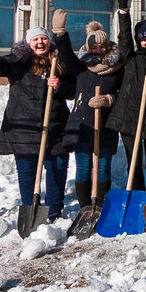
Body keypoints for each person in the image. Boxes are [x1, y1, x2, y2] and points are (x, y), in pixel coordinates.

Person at [0, 12, 75, 223]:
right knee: (27, 171)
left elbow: (73, 91)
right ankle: (30, 208)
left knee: (57, 168)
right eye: (36, 39)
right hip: (24, 127)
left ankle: (54, 211)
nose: (40, 42)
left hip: (55, 124)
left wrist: (60, 86)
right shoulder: (18, 61)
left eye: (44, 38)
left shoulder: (58, 61)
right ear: (28, 43)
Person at [54, 19, 124, 222]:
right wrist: (61, 35)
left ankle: (100, 206)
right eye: (94, 46)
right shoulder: (82, 66)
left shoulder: (118, 67)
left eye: (102, 46)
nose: (98, 49)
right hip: (82, 122)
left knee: (102, 167)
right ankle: (85, 208)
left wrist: (109, 99)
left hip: (106, 123)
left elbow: (124, 93)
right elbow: (66, 55)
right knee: (83, 166)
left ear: (108, 45)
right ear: (88, 46)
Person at [104, 0, 146, 199]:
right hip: (130, 117)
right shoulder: (132, 57)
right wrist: (123, 10)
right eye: (144, 39)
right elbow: (124, 37)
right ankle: (139, 199)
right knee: (135, 164)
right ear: (139, 42)